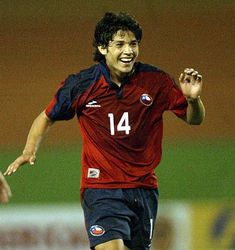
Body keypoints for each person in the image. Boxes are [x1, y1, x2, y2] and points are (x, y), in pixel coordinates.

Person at [4, 12, 205, 250]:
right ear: (102, 48)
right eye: (119, 44)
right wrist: (29, 150)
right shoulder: (82, 84)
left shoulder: (156, 81)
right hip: (101, 189)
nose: (128, 51)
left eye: (133, 44)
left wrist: (193, 100)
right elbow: (46, 117)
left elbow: (194, 120)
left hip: (143, 188)